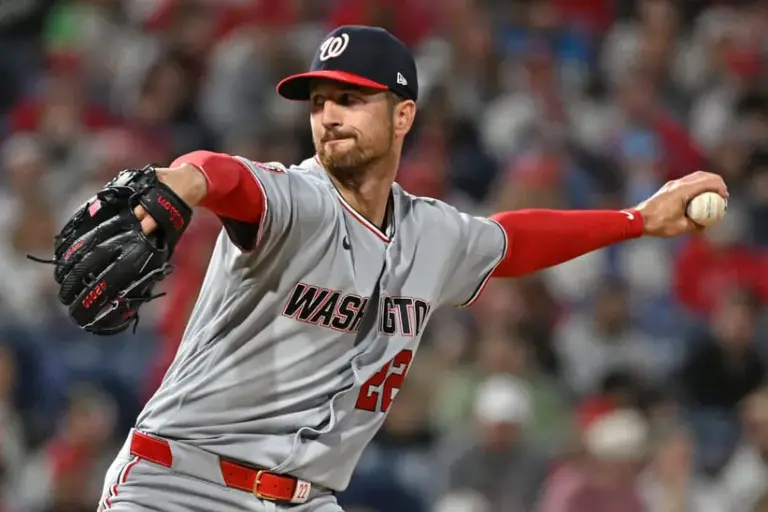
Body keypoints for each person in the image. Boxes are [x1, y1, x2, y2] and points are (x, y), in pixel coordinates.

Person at [97, 25, 727, 512]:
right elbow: (228, 177)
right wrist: (182, 181)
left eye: (351, 99)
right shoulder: (300, 202)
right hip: (178, 482)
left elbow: (510, 242)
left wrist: (638, 220)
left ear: (403, 115)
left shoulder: (432, 233)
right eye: (319, 102)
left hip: (303, 499)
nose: (329, 116)